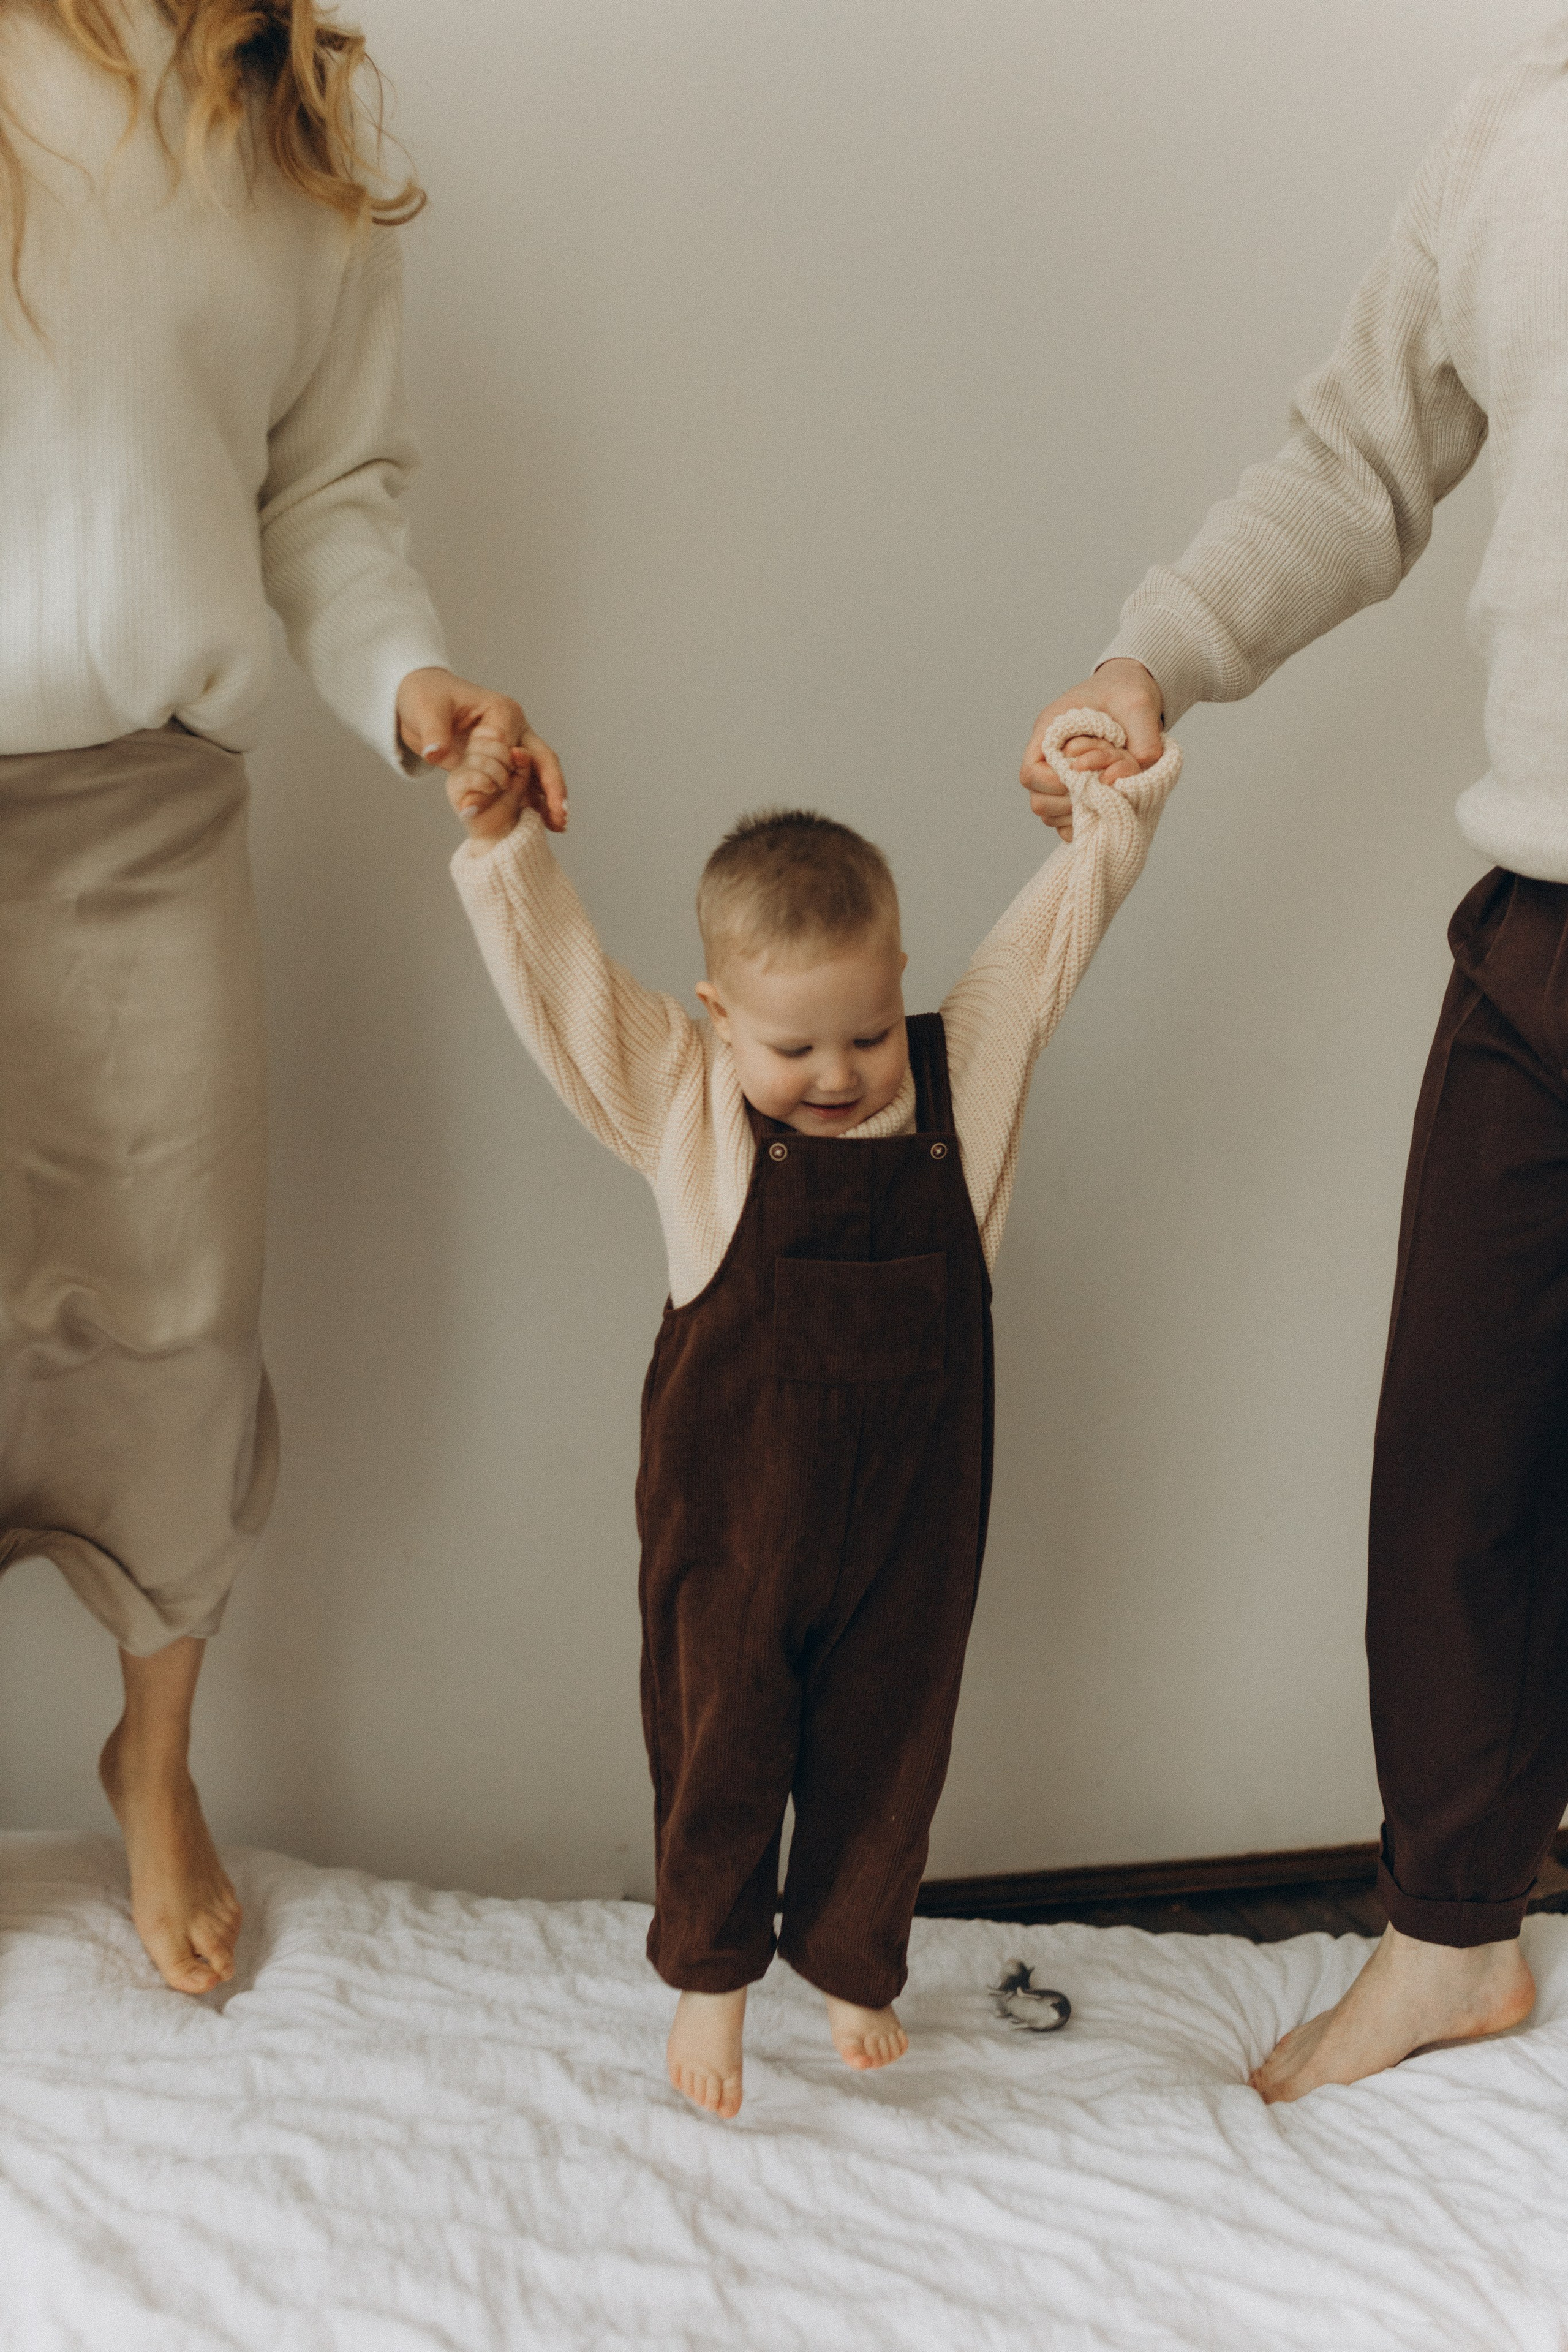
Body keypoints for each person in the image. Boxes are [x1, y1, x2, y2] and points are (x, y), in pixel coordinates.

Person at [1022, 25, 1568, 2103]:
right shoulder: (1516, 120)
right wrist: (1150, 653)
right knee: (1465, 1461)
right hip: (1543, 912)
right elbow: (1357, 461)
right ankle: (1452, 1939)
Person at [0, 0, 564, 1997]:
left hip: (148, 813)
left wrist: (416, 684)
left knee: (173, 1318)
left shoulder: (300, 111)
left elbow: (326, 500)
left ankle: (153, 1758)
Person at [443, 709, 1180, 2117]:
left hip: (911, 1521)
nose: (835, 1076)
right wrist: (505, 851)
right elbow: (570, 992)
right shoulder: (687, 1104)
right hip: (734, 1519)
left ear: (899, 981)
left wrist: (1113, 807)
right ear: (718, 1016)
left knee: (889, 1736)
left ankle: (853, 1960)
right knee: (720, 1732)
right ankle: (711, 1985)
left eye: (860, 1034)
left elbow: (1043, 948)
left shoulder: (964, 1074)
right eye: (792, 1047)